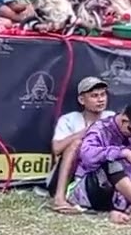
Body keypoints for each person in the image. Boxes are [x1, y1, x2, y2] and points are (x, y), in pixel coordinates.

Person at [66, 100, 131, 224]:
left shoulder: (130, 136)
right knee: (113, 164)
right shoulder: (101, 128)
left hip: (116, 193)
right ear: (124, 120)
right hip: (90, 188)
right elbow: (87, 155)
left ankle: (126, 215)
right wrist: (122, 152)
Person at [49, 76, 115, 213]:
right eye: (94, 96)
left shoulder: (111, 118)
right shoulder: (69, 119)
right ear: (82, 100)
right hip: (69, 177)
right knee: (76, 144)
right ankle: (59, 198)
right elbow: (56, 149)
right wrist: (87, 132)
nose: (101, 99)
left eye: (103, 95)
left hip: (95, 177)